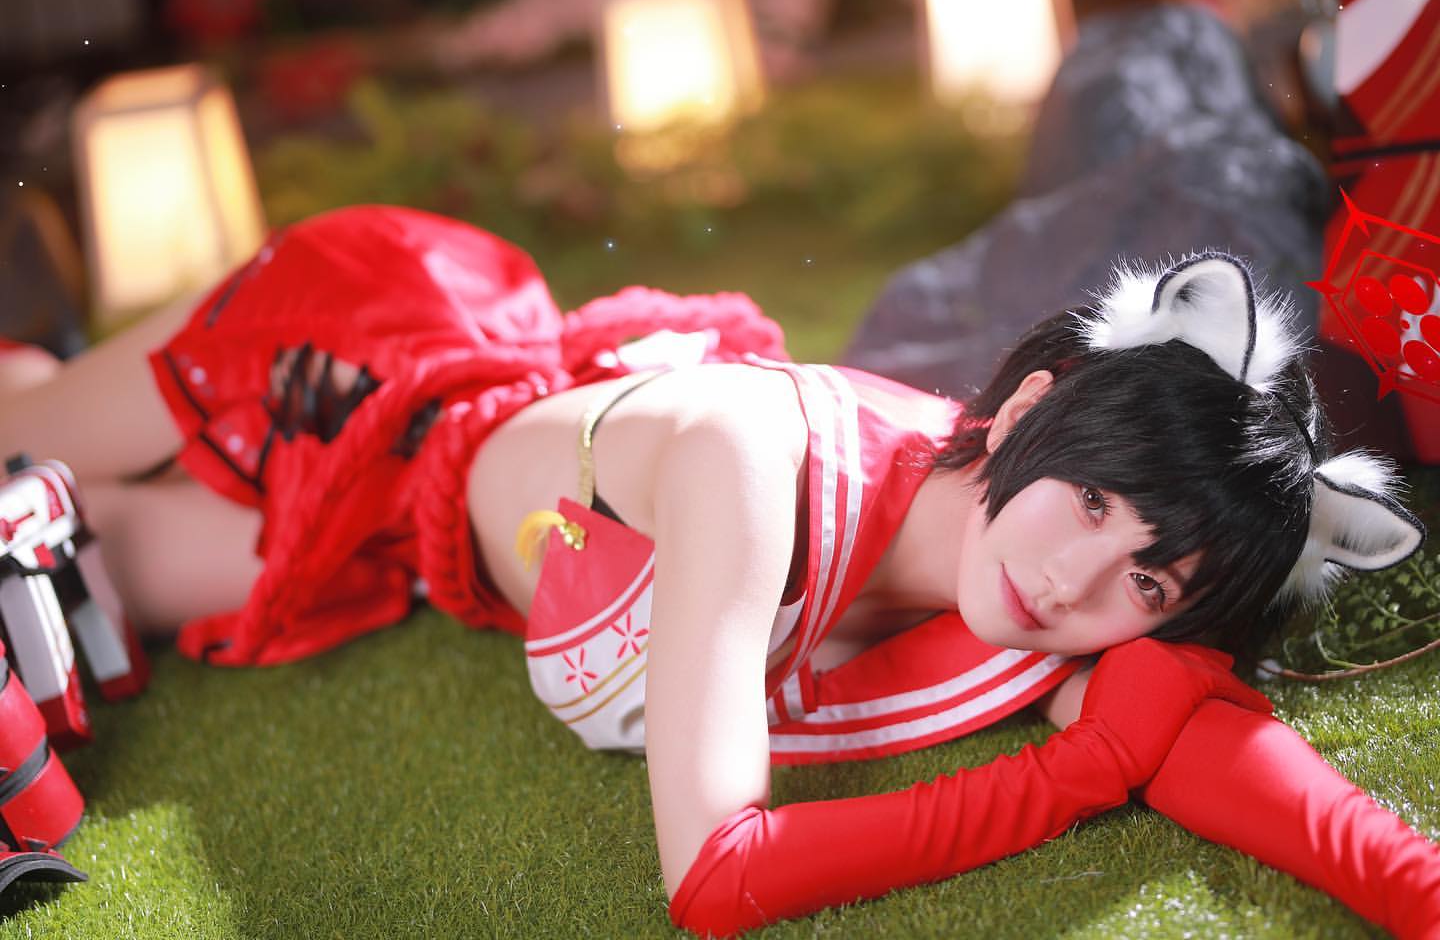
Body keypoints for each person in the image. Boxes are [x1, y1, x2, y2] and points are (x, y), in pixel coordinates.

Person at [1, 205, 1437, 937]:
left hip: (411, 552)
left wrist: (1414, 884)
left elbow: (1184, 723)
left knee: (89, 554)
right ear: (1022, 415)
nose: (1075, 582)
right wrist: (1065, 779)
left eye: (1153, 583)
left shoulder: (1039, 581)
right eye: (1096, 500)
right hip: (363, 360)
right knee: (21, 431)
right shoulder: (756, 472)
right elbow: (718, 878)